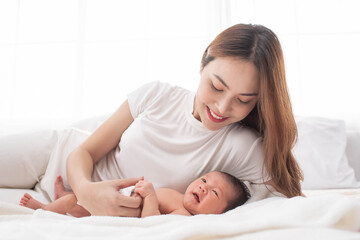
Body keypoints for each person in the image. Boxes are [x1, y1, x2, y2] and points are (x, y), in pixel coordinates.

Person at [1, 23, 303, 217]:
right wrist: (85, 190)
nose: (222, 107)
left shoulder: (245, 148)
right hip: (57, 154)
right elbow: (85, 152)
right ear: (203, 63)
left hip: (71, 207)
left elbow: (280, 203)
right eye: (217, 86)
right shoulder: (159, 95)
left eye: (243, 100)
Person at [20, 171, 250, 217]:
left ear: (219, 213)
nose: (202, 187)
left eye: (214, 193)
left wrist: (149, 197)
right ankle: (63, 200)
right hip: (114, 203)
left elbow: (152, 225)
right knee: (75, 199)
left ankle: (44, 210)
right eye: (204, 180)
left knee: (73, 203)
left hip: (112, 215)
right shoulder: (178, 195)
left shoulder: (183, 215)